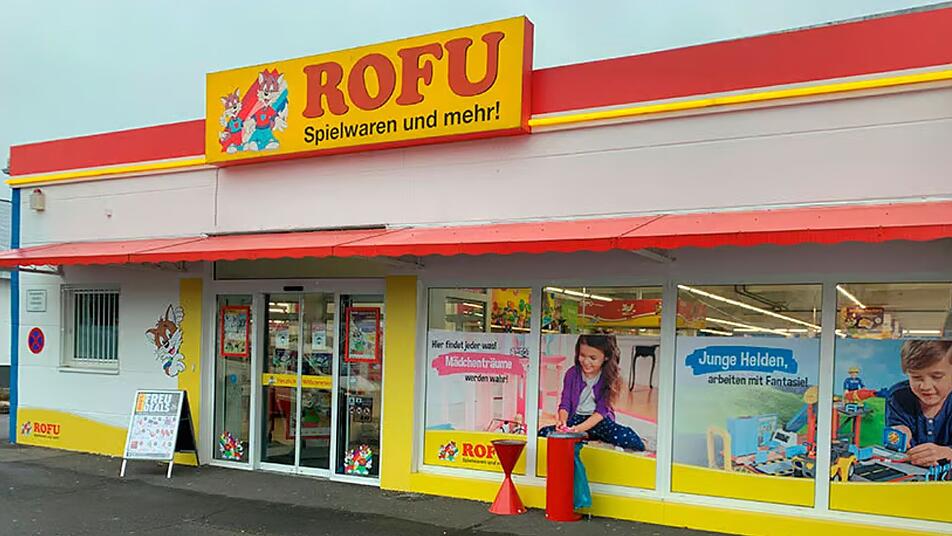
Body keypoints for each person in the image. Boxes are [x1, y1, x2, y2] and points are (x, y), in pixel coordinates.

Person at [539, 334, 645, 451]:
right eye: (582, 355)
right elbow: (565, 403)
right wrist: (563, 422)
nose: (586, 361)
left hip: (599, 421)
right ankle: (588, 436)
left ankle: (588, 435)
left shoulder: (609, 378)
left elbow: (601, 412)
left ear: (606, 357)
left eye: (593, 358)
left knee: (630, 440)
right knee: (543, 433)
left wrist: (578, 429)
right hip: (575, 419)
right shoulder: (572, 373)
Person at [885, 340, 952, 467]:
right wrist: (899, 431)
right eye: (916, 377)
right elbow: (895, 431)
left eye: (936, 377)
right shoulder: (898, 397)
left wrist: (949, 452)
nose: (925, 386)